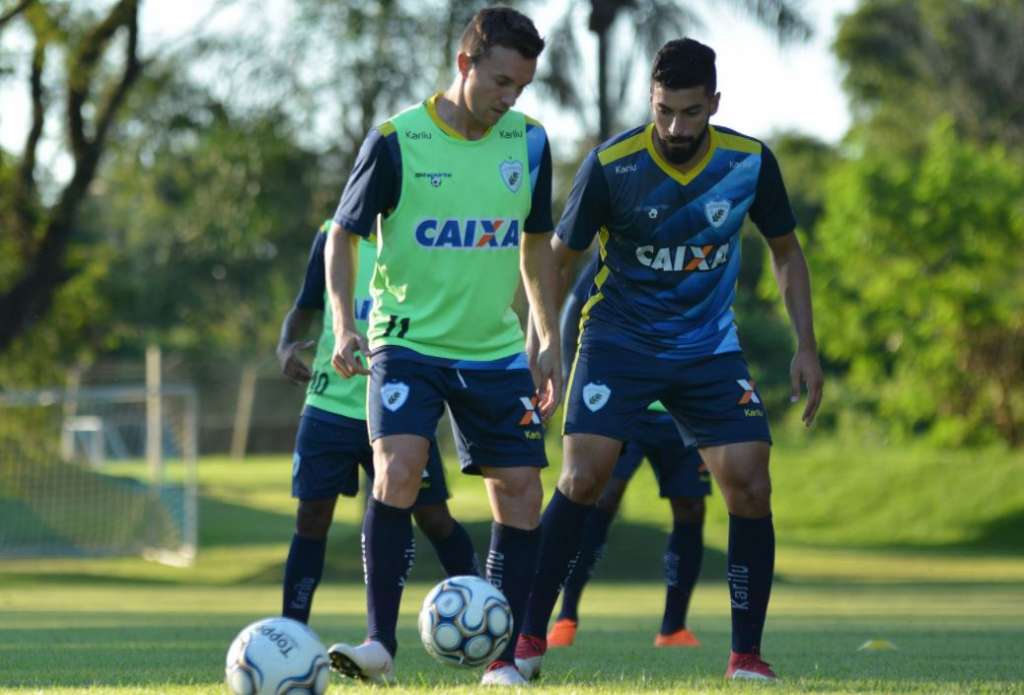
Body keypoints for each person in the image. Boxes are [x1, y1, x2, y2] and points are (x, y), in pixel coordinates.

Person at [515, 38, 823, 682]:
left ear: (714, 103)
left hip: (707, 346)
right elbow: (559, 259)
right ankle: (526, 641)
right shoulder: (613, 165)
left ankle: (745, 657)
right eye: (663, 112)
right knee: (582, 477)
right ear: (649, 103)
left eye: (689, 112)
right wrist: (545, 339)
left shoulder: (749, 163)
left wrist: (806, 345)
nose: (675, 128)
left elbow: (787, 253)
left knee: (750, 479)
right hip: (619, 340)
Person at [323, 7, 561, 687]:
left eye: (521, 86)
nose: (510, 97)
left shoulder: (532, 144)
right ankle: (379, 645)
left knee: (520, 491)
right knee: (398, 468)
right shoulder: (398, 141)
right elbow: (343, 235)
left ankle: (503, 660)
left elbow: (537, 242)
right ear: (466, 64)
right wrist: (344, 324)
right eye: (501, 81)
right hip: (408, 341)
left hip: (493, 349)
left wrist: (545, 333)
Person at [276, 220, 479, 628]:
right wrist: (284, 345)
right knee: (312, 517)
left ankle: (485, 603)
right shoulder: (332, 235)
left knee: (433, 517)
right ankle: (290, 630)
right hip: (329, 404)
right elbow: (304, 306)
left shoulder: (419, 230)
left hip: (397, 405)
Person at [546, 254, 711, 650]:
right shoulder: (624, 248)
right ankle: (565, 616)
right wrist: (571, 378)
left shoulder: (701, 253)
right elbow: (572, 308)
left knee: (690, 507)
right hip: (625, 404)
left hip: (682, 409)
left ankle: (673, 627)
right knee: (599, 499)